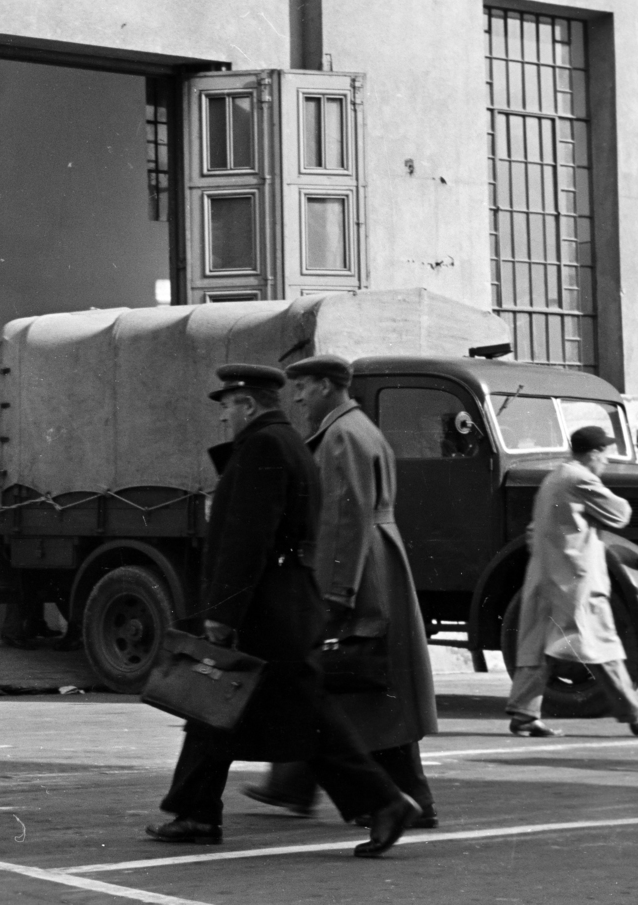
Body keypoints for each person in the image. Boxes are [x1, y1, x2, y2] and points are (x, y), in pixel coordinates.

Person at [146, 364, 420, 858]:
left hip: (267, 608)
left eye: (228, 405)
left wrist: (223, 614)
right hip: (282, 602)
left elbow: (247, 539)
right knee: (213, 705)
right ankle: (194, 812)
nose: (225, 416)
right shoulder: (288, 442)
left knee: (295, 714)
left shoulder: (265, 447)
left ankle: (384, 803)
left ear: (247, 404)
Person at [243, 356, 440, 827]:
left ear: (328, 387)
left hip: (362, 570)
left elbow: (343, 519)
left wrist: (334, 594)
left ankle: (407, 798)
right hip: (375, 565)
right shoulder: (356, 428)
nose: (297, 397)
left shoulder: (341, 436)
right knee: (357, 687)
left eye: (304, 387)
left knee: (356, 684)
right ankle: (295, 783)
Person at [506, 425, 638, 737]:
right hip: (576, 581)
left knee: (539, 646)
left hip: (545, 576)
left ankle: (524, 714)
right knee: (601, 647)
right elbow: (620, 513)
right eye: (605, 454)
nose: (607, 462)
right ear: (594, 453)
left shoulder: (553, 478)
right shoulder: (580, 478)